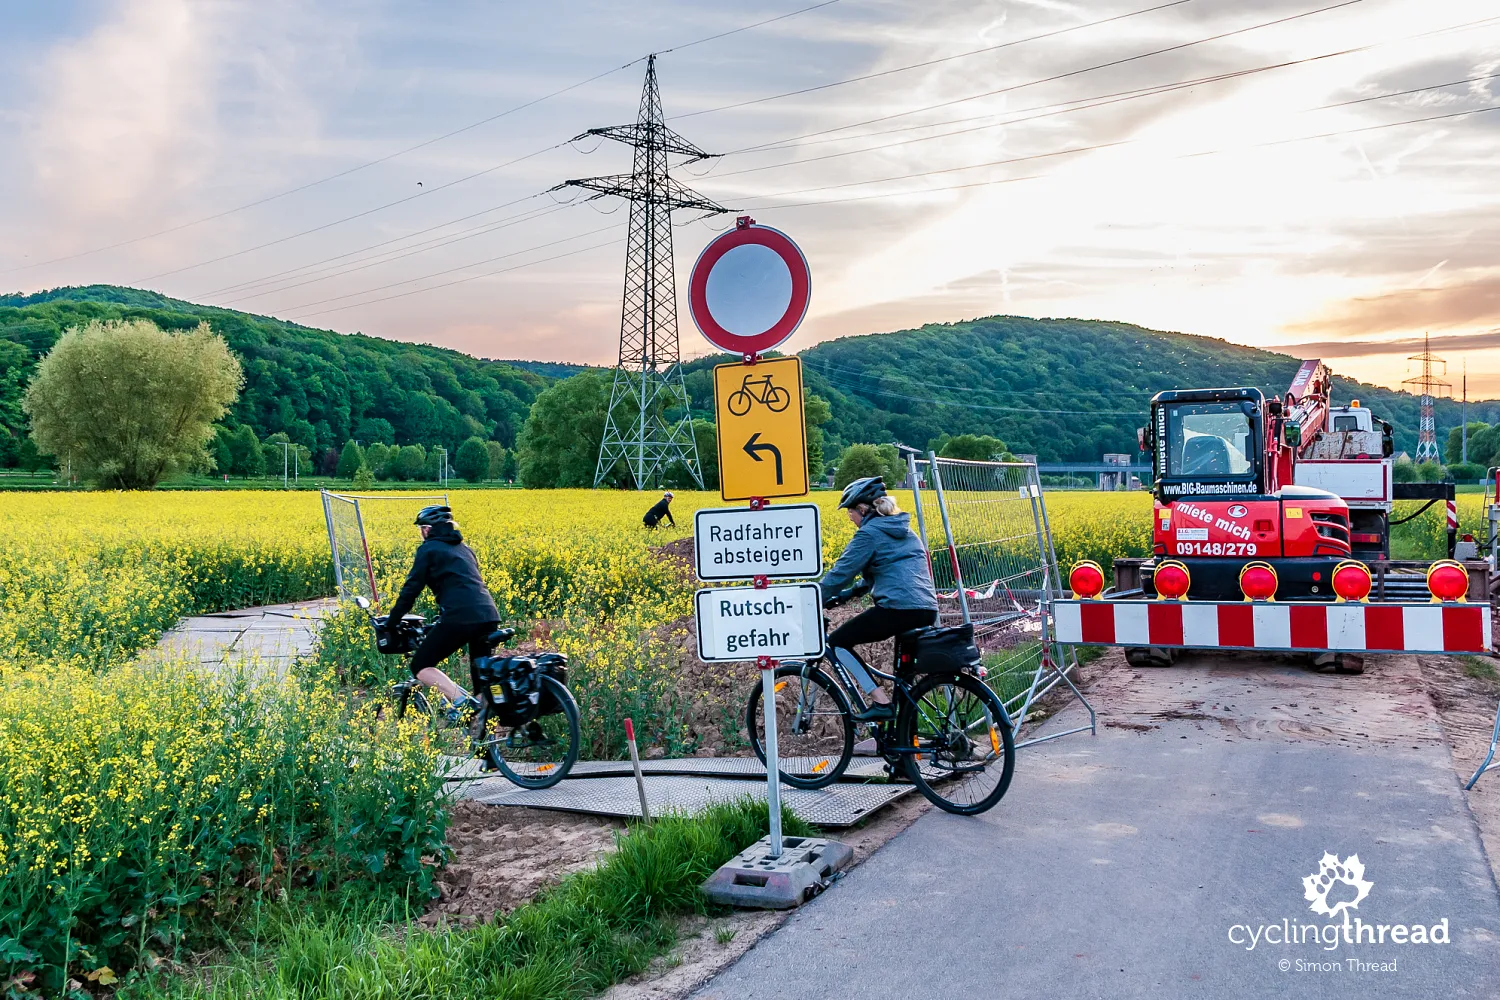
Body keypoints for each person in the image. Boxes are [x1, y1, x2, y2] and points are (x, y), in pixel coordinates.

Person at [819, 476, 939, 720]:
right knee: (903, 683)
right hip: (926, 608)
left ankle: (881, 703)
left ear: (862, 509)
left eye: (850, 512)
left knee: (838, 642)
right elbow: (891, 571)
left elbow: (840, 574)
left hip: (898, 609)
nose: (850, 518)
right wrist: (848, 595)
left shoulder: (870, 534)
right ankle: (903, 745)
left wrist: (811, 599)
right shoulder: (905, 531)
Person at [385, 505, 500, 715]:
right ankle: (484, 743)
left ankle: (462, 701)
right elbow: (464, 585)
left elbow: (411, 590)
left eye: (421, 529)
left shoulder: (428, 549)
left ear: (428, 529)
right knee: (481, 681)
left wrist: (392, 621)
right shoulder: (464, 549)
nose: (421, 533)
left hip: (460, 617)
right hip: (489, 615)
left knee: (420, 665)